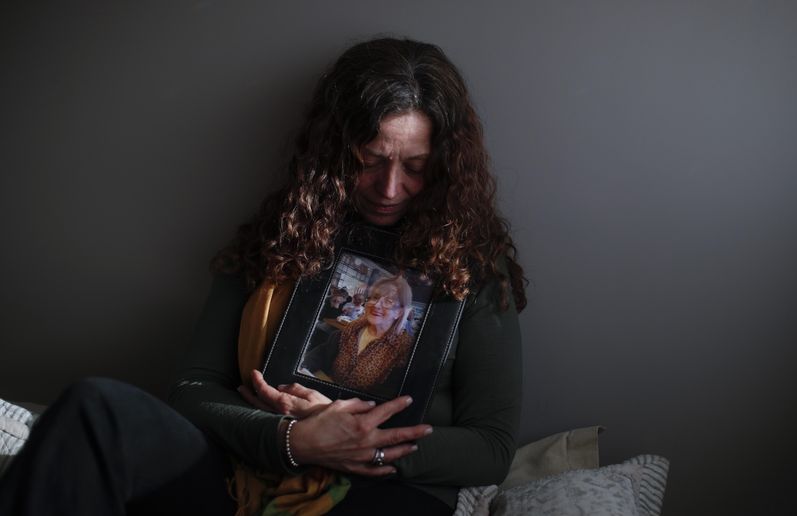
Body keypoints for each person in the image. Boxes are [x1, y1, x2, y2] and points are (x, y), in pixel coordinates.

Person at [0, 37, 526, 516]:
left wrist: (362, 440)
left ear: (444, 165)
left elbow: (492, 447)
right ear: (335, 151)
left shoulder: (474, 266)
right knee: (94, 408)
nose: (390, 188)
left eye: (415, 166)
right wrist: (293, 439)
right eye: (370, 160)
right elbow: (193, 389)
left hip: (383, 492)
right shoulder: (279, 237)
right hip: (247, 465)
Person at [306, 276, 415, 398]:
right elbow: (322, 353)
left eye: (388, 301)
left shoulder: (403, 349)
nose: (377, 305)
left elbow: (386, 397)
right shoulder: (352, 329)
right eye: (375, 297)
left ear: (399, 313)